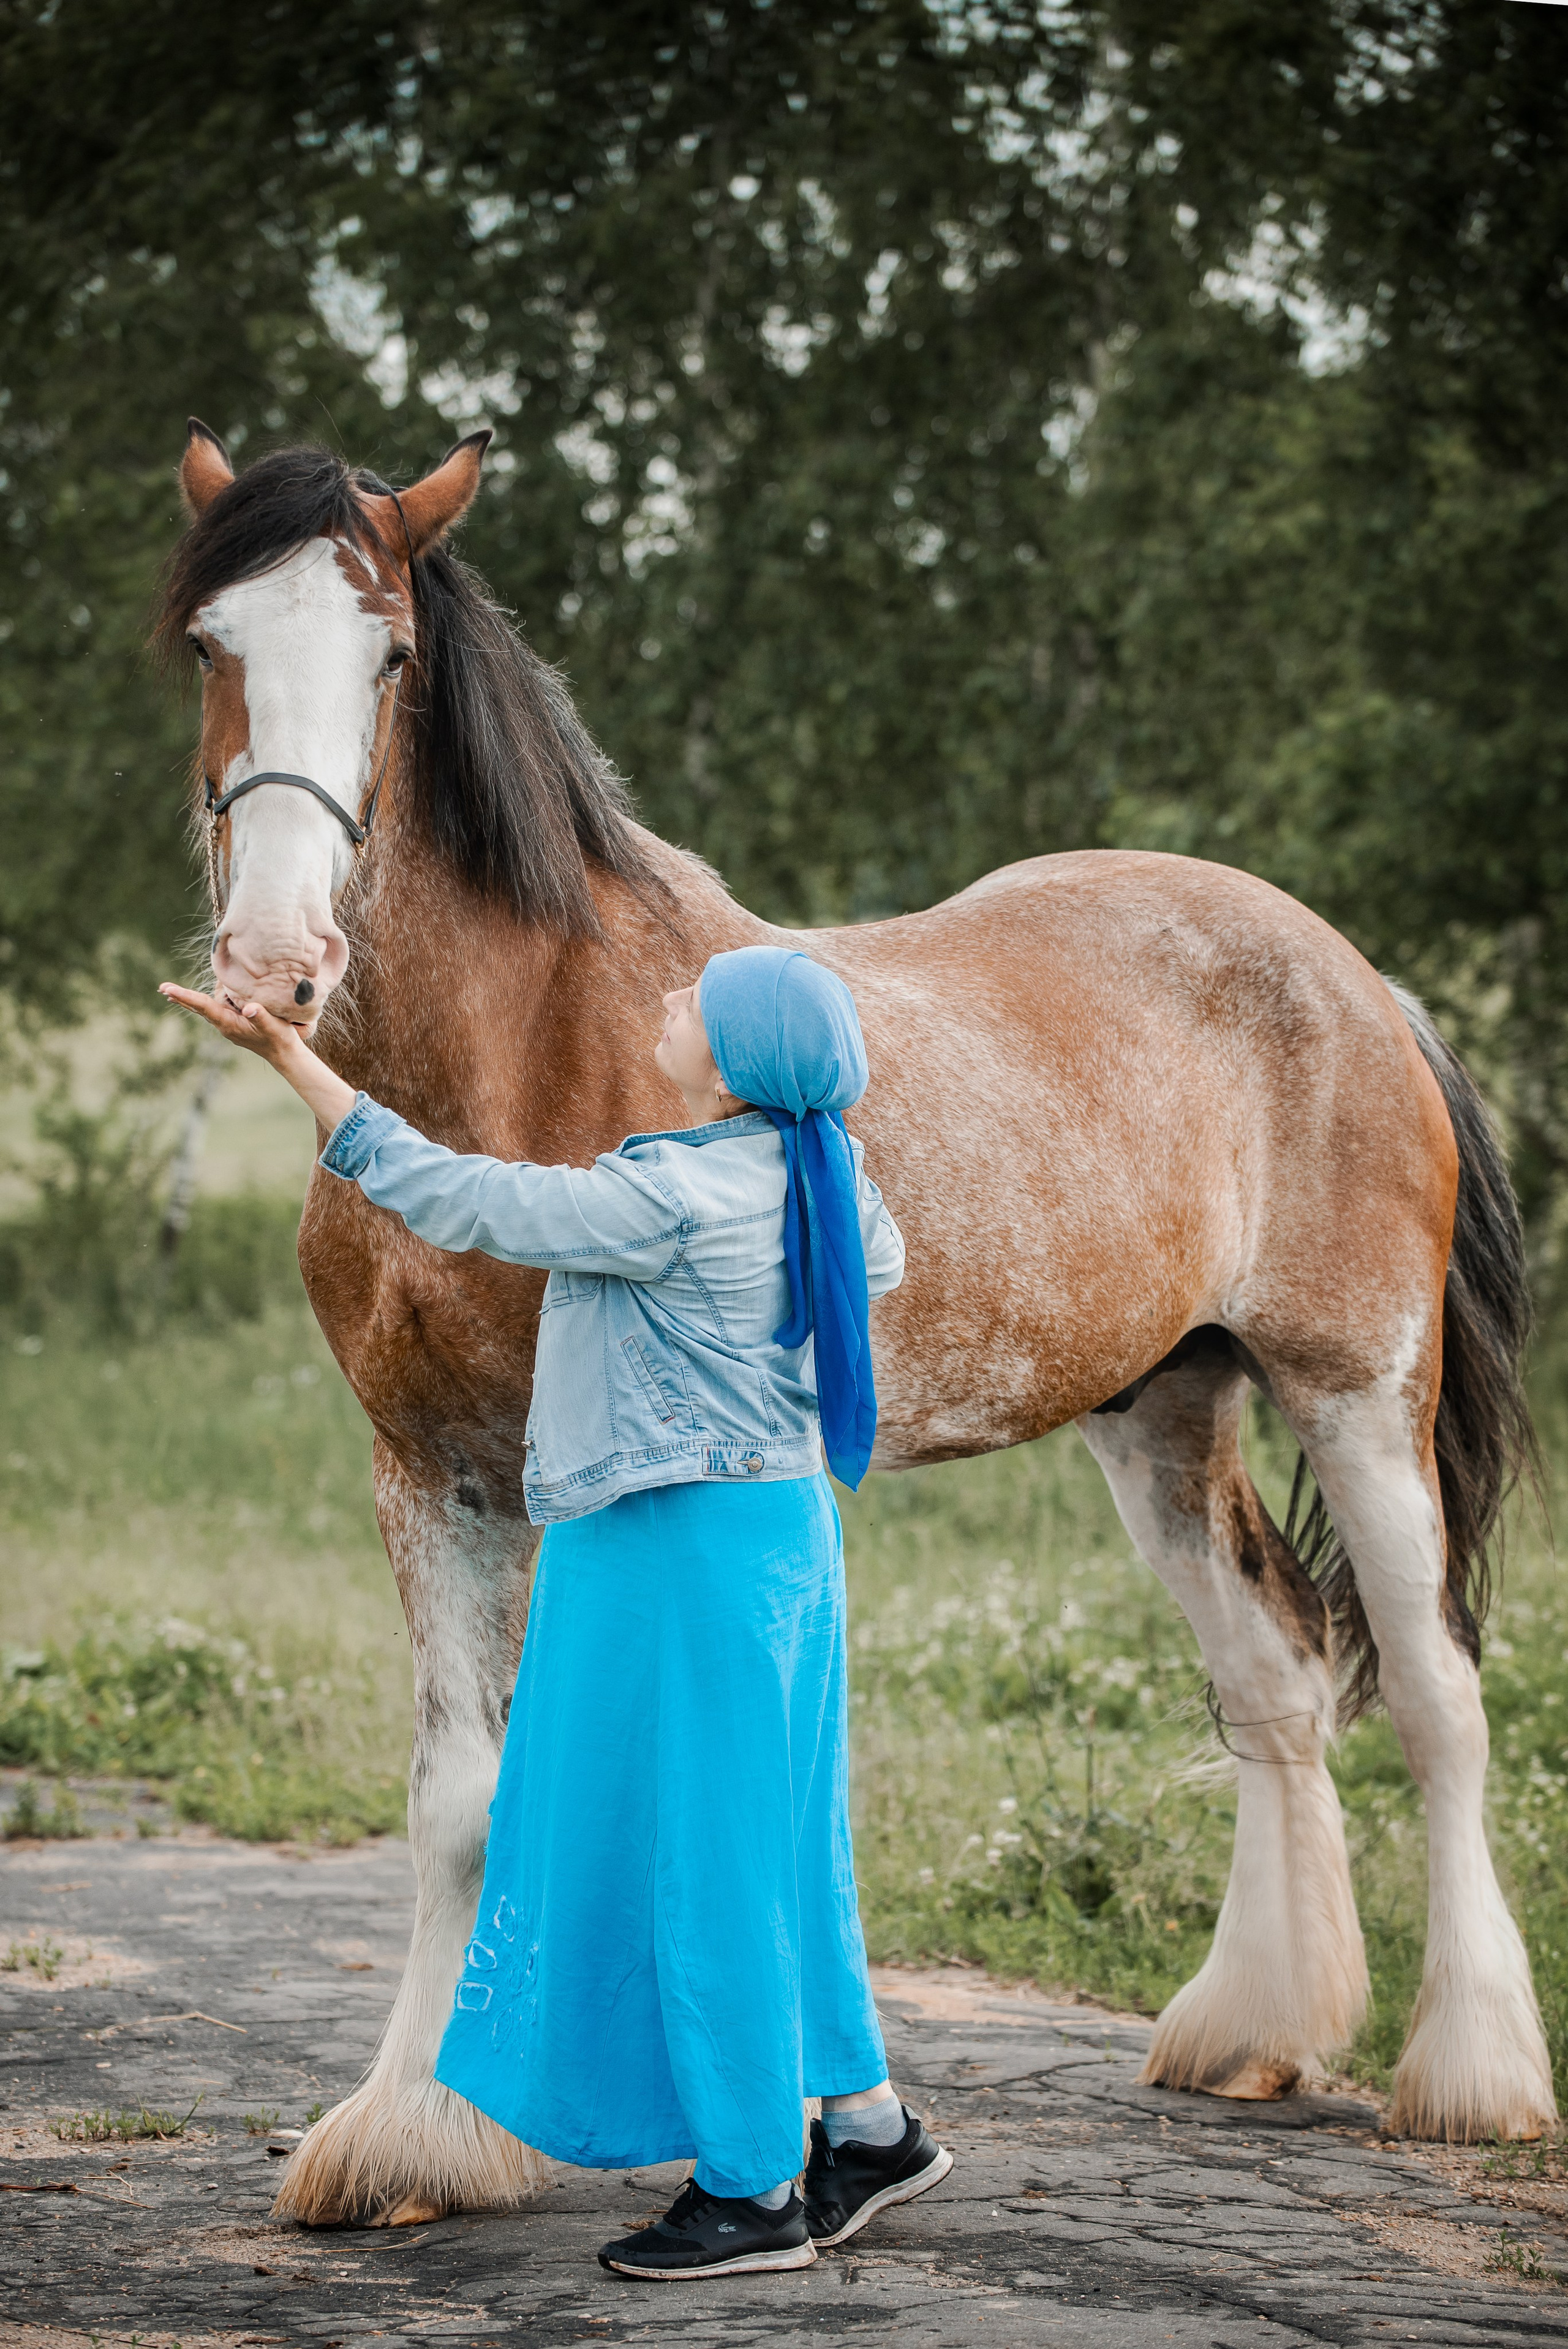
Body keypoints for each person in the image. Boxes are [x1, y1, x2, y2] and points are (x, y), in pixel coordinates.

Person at [161, 945, 952, 2280]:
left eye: (697, 1000)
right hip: (781, 1542)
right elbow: (851, 1277)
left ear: (740, 1057)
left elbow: (461, 1197)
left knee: (697, 1851)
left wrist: (296, 1061)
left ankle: (754, 2189)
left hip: (675, 1549)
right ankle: (866, 2128)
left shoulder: (672, 1196)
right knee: (777, 1841)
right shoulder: (827, 1179)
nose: (667, 1003)